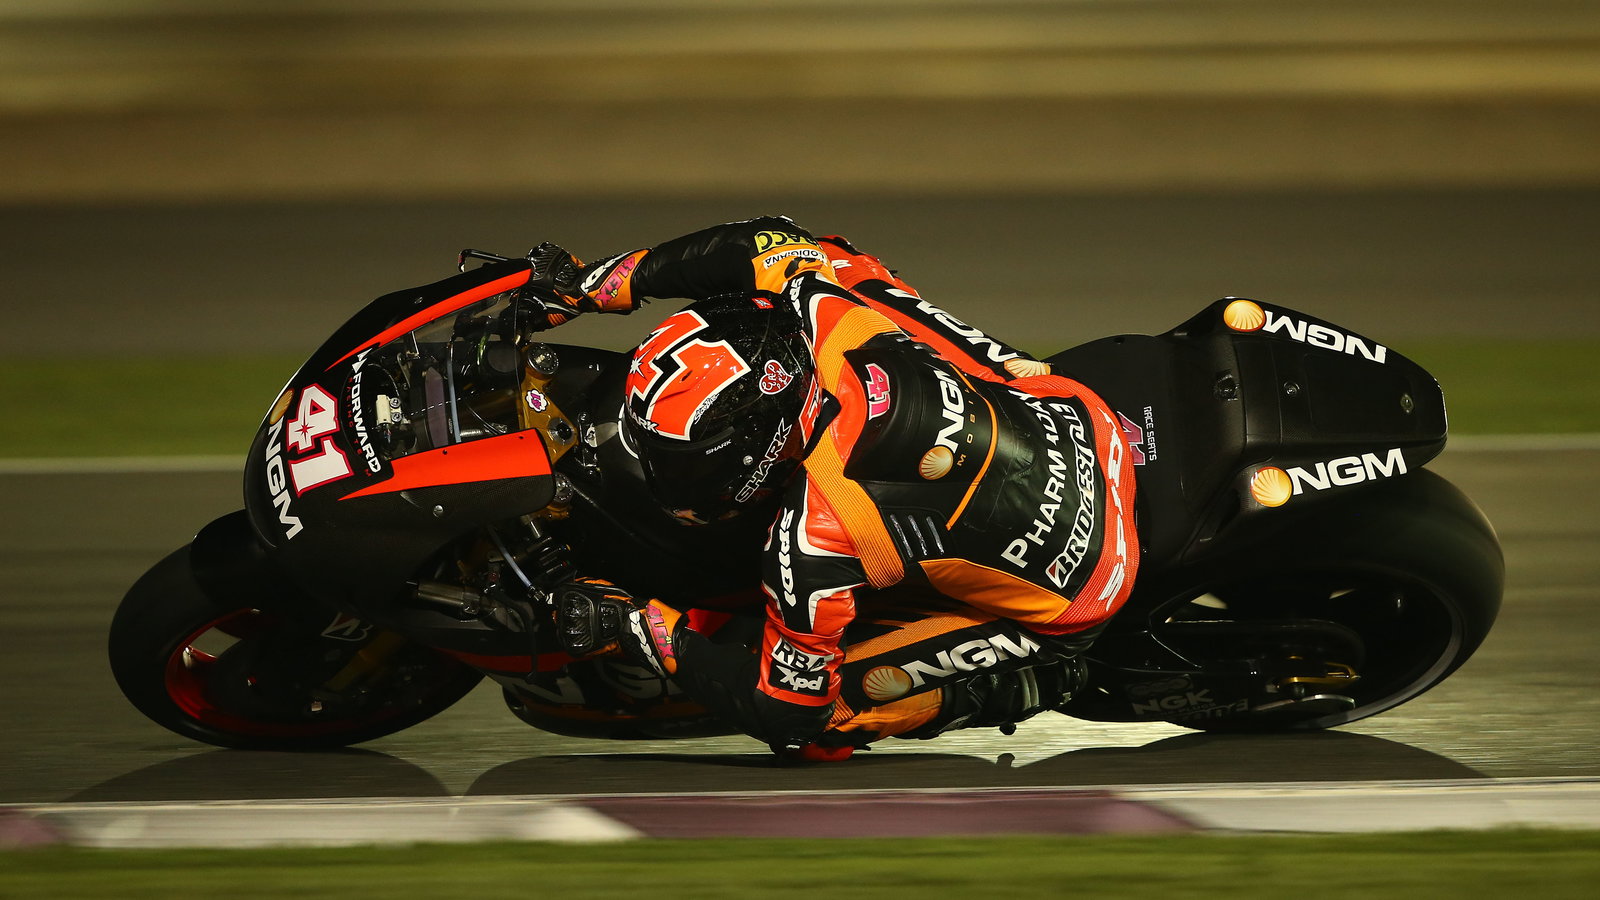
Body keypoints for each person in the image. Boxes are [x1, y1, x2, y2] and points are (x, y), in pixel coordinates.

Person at [525, 216, 1139, 756]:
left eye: (684, 465)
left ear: (759, 449)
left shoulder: (814, 533)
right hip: (1088, 420)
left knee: (829, 720)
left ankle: (1036, 681)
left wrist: (642, 628)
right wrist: (600, 282)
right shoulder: (828, 306)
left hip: (1089, 584)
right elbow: (763, 240)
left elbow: (788, 712)